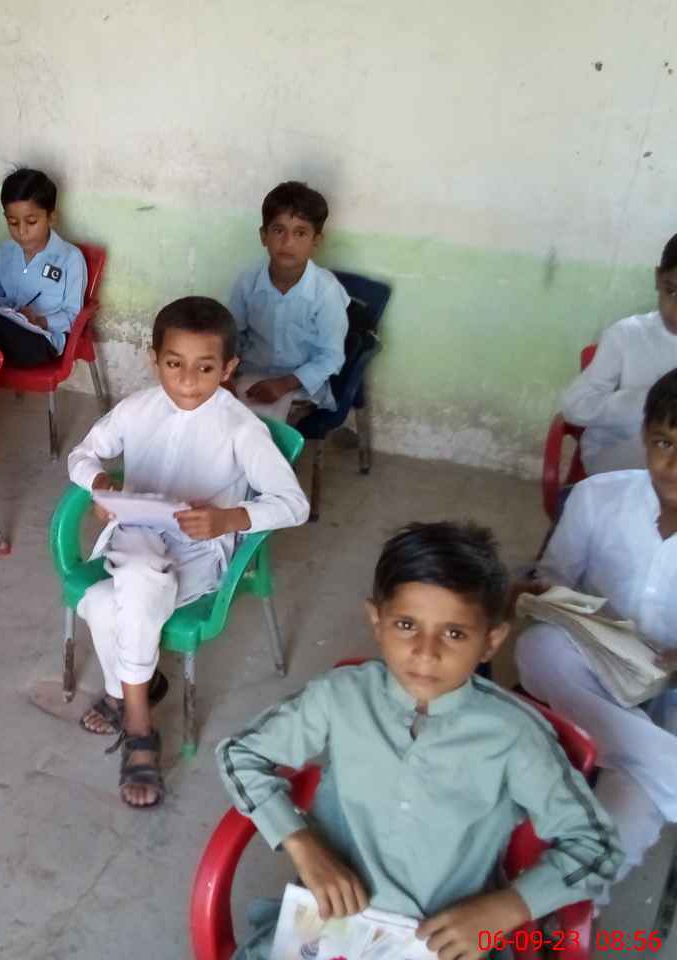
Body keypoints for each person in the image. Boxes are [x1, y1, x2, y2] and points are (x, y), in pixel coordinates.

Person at [218, 522, 620, 960]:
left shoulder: (514, 735)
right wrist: (301, 842)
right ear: (377, 621)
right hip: (328, 929)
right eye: (407, 624)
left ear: (491, 642)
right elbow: (240, 754)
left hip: (445, 944)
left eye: (454, 633)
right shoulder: (339, 696)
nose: (426, 653)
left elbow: (597, 847)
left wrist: (508, 908)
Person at [69, 296, 309, 808]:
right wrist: (101, 486)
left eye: (205, 368)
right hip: (137, 535)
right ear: (154, 359)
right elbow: (82, 455)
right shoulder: (136, 409)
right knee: (135, 576)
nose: (187, 380)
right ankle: (138, 711)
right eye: (174, 364)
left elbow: (293, 504)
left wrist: (228, 518)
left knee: (106, 601)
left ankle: (130, 708)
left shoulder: (241, 428)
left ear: (228, 369)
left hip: (199, 552)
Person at [516, 368, 677, 895]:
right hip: (595, 665)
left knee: (631, 795)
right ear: (644, 435)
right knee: (539, 647)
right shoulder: (597, 496)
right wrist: (543, 594)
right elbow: (556, 578)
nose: (673, 465)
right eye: (664, 443)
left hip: (671, 689)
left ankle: (566, 900)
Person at [227, 180, 349, 423]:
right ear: (263, 236)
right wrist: (227, 376)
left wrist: (284, 384)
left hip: (300, 387)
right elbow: (232, 336)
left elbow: (330, 357)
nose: (288, 242)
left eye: (300, 233)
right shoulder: (247, 283)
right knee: (217, 418)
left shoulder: (326, 292)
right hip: (250, 378)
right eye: (278, 230)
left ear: (316, 241)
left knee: (267, 430)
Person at [561, 232, 677, 475]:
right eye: (672, 291)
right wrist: (648, 401)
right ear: (658, 278)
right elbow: (574, 406)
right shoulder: (626, 334)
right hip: (617, 459)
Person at [0, 168, 87, 369]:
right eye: (13, 222)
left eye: (31, 222)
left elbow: (74, 317)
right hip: (0, 330)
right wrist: (9, 310)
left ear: (51, 218)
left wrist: (40, 321)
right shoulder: (2, 254)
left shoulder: (70, 258)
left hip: (41, 339)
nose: (21, 231)